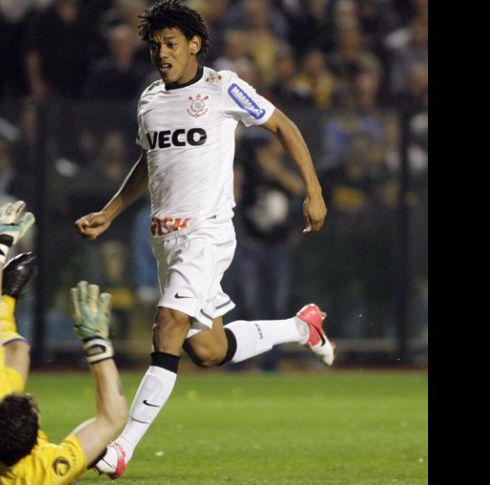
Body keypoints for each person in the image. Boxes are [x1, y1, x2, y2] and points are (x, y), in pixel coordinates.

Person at [74, 1, 333, 478]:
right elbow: (149, 163)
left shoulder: (223, 87)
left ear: (194, 44)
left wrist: (313, 193)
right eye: (155, 45)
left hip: (207, 234)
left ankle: (123, 447)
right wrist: (110, 211)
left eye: (171, 44)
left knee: (168, 324)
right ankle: (302, 328)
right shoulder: (150, 98)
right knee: (207, 350)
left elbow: (285, 126)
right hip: (165, 240)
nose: (162, 53)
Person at [0, 201, 128, 484]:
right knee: (17, 350)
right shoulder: (43, 472)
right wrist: (96, 343)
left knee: (17, 350)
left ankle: (7, 298)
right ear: (35, 445)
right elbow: (112, 418)